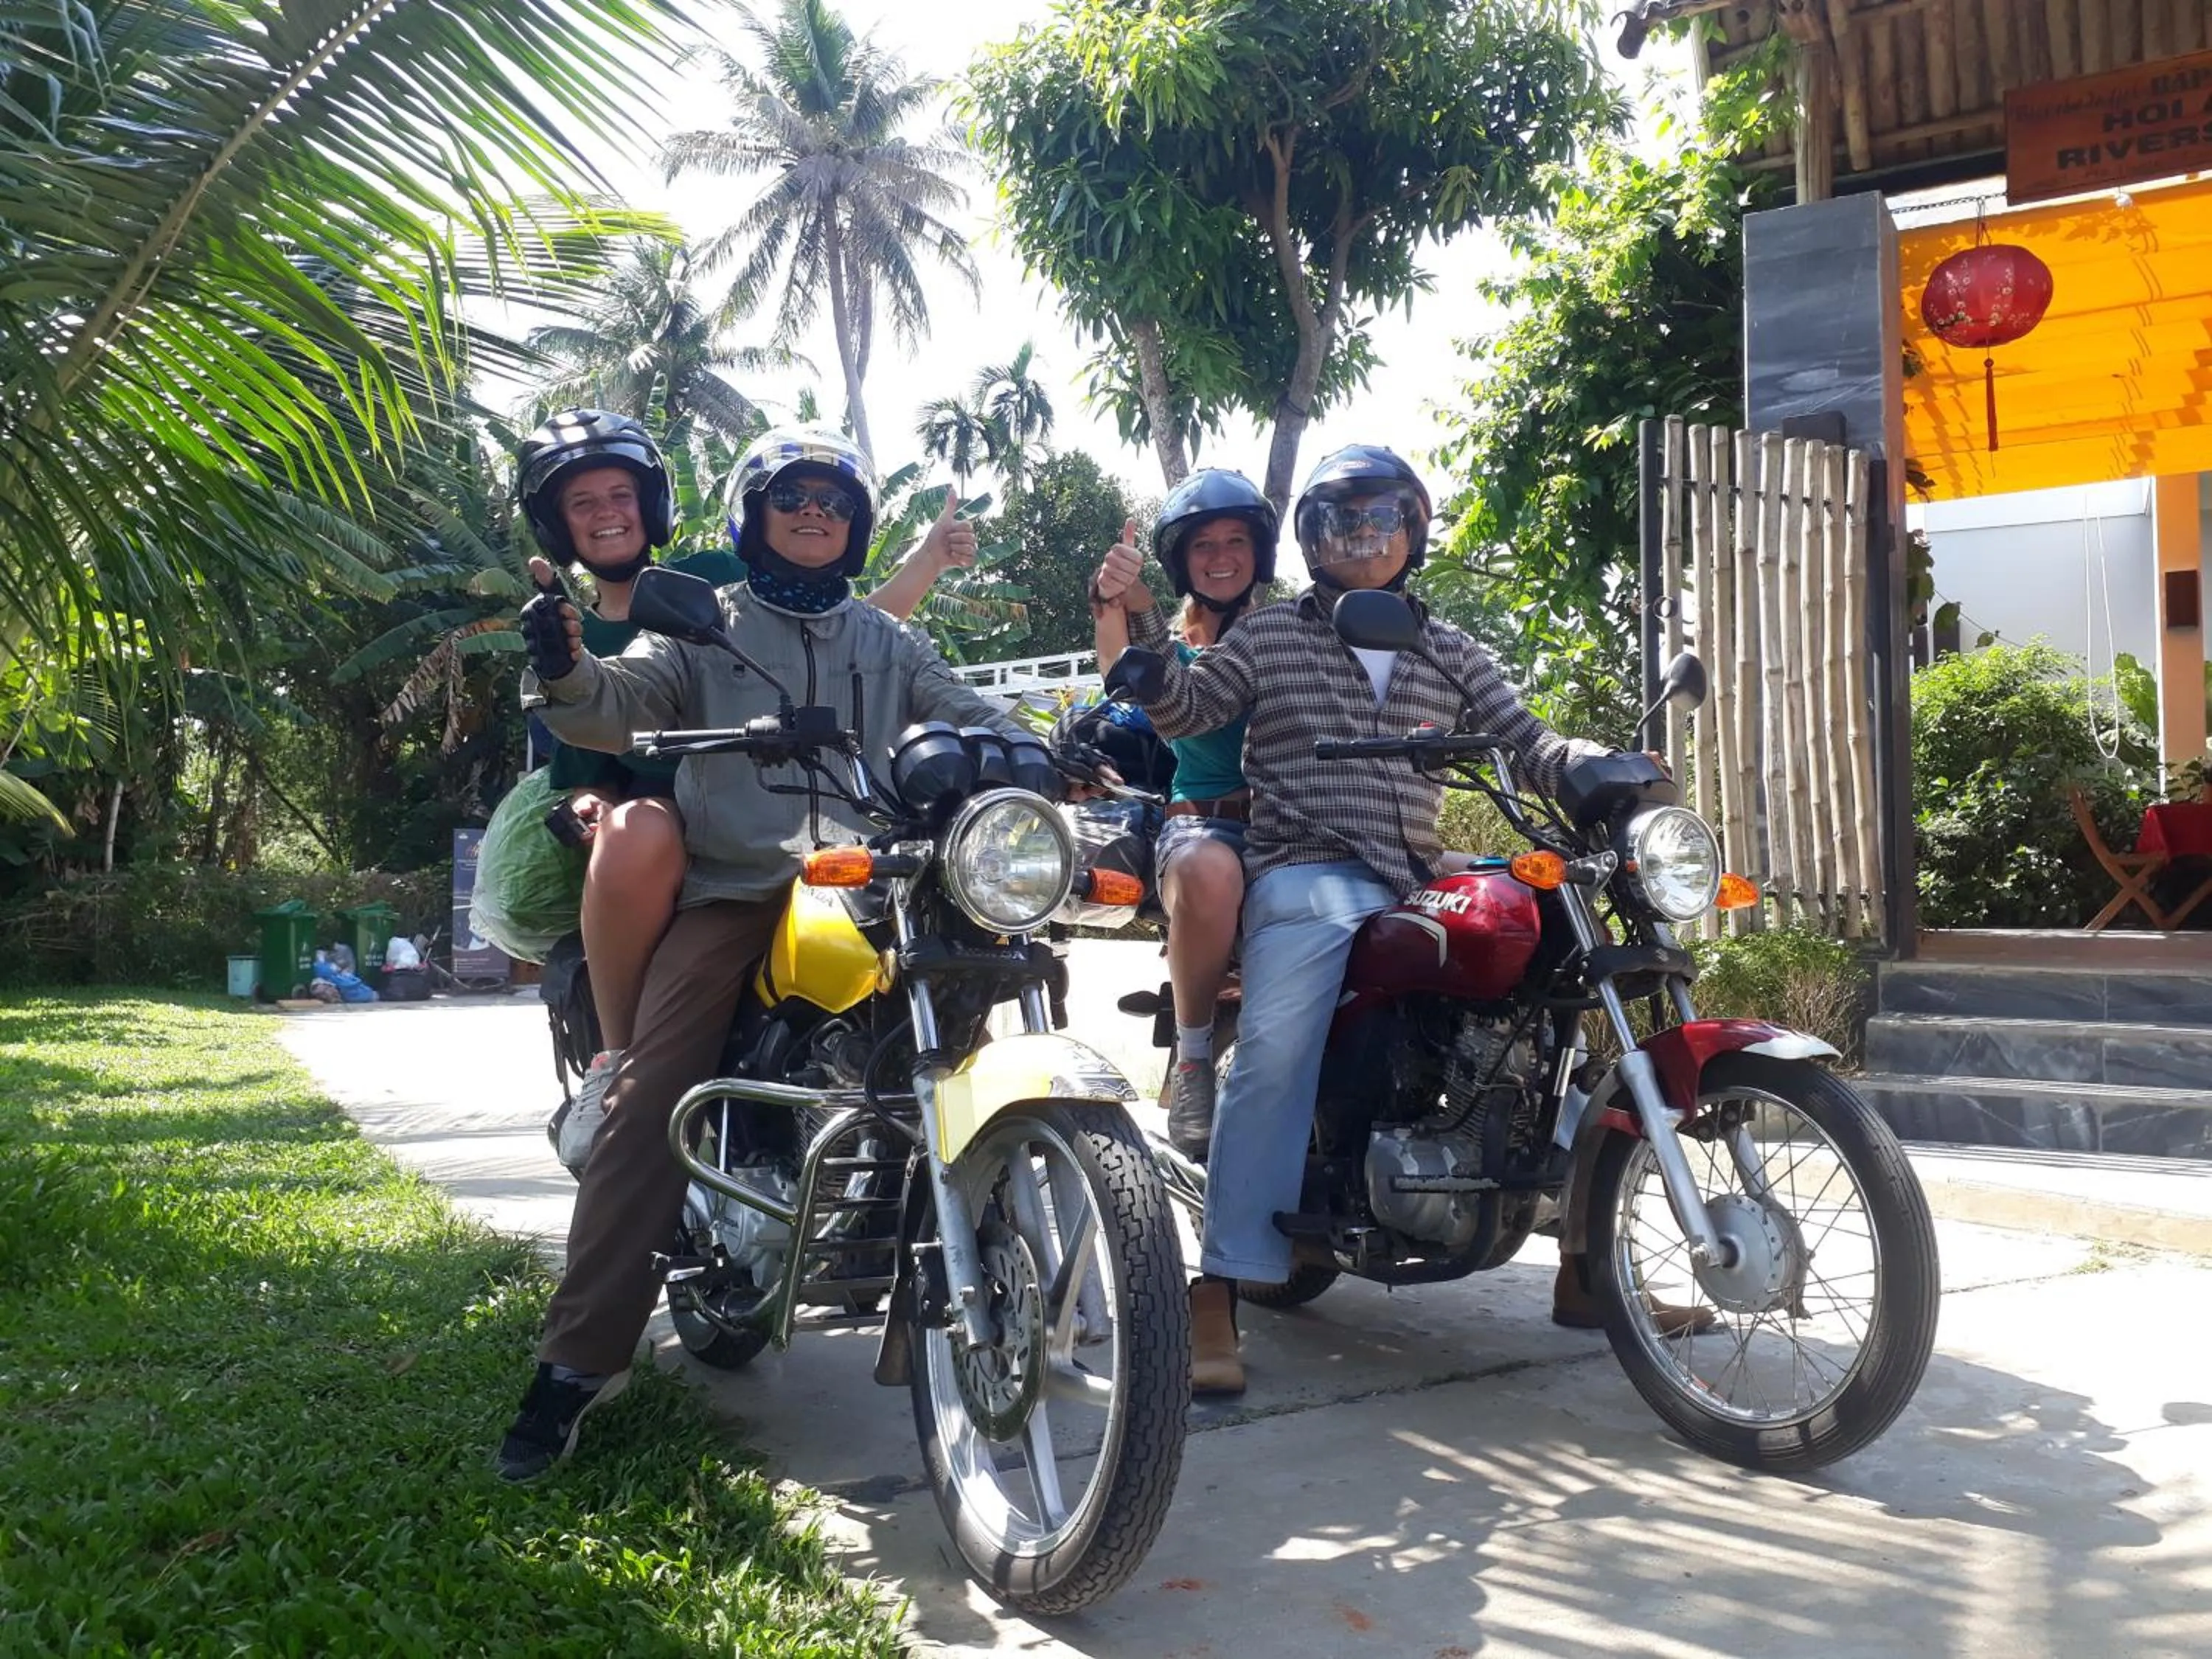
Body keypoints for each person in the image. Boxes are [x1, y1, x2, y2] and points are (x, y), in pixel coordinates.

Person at [1093, 444, 1706, 1398]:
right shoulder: (1270, 636)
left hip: (1418, 870)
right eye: (1342, 521)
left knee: (1559, 1011)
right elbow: (1192, 706)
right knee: (1277, 1052)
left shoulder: (1448, 645)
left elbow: (1525, 735)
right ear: (1312, 539)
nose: (1364, 537)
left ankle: (1593, 1264)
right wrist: (1142, 662)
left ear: (1414, 530)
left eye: (1382, 518)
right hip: (1310, 870)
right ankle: (1218, 1284)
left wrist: (1593, 765)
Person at [498, 427, 1026, 1481]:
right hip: (737, 891)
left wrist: (1058, 743)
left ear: (858, 523)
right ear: (752, 515)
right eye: (793, 497)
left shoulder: (886, 638)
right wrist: (563, 666)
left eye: (834, 500)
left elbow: (970, 708)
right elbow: (619, 700)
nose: (816, 513)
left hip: (875, 885)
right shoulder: (703, 622)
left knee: (979, 991)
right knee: (654, 1098)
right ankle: (576, 1362)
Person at [514, 410, 976, 1175]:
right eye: (583, 504)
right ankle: (618, 1066)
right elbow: (594, 727)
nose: (606, 515)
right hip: (710, 845)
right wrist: (562, 672)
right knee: (638, 835)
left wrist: (1048, 744)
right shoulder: (570, 627)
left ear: (652, 502)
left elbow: (845, 639)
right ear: (558, 526)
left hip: (841, 841)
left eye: (619, 495)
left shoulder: (716, 580)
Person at [1089, 470, 1276, 1161]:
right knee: (1208, 868)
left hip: (1300, 828)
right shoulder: (1172, 651)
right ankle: (1195, 1056)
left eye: (1235, 540)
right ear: (1180, 561)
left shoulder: (1295, 633)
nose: (1221, 555)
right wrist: (1115, 599)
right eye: (1203, 545)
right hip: (1206, 824)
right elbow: (1124, 674)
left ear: (1260, 552)